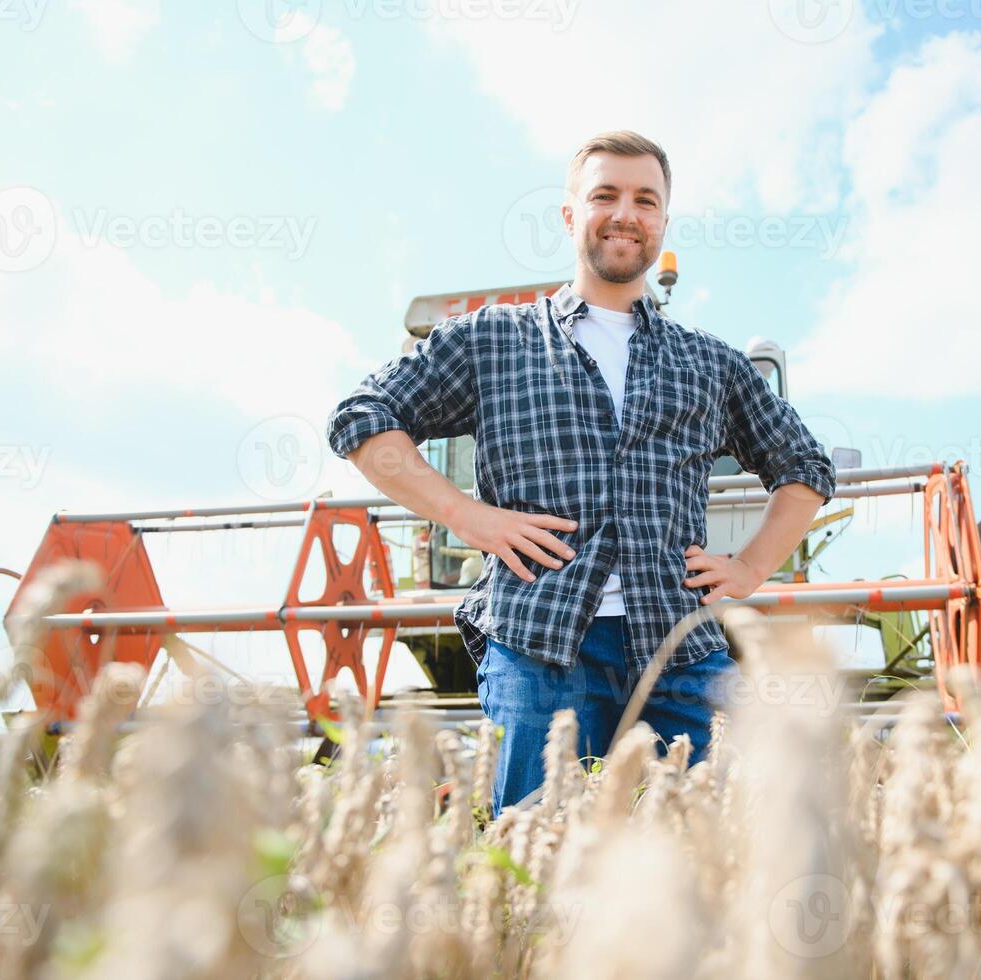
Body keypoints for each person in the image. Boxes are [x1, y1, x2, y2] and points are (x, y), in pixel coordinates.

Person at [327, 130, 835, 814]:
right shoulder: (493, 339)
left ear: (661, 221)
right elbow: (362, 416)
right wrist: (466, 516)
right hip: (539, 646)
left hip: (679, 647)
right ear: (570, 215)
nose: (625, 212)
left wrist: (748, 568)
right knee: (536, 852)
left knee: (719, 847)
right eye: (605, 195)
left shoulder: (711, 363)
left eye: (644, 200)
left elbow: (803, 464)